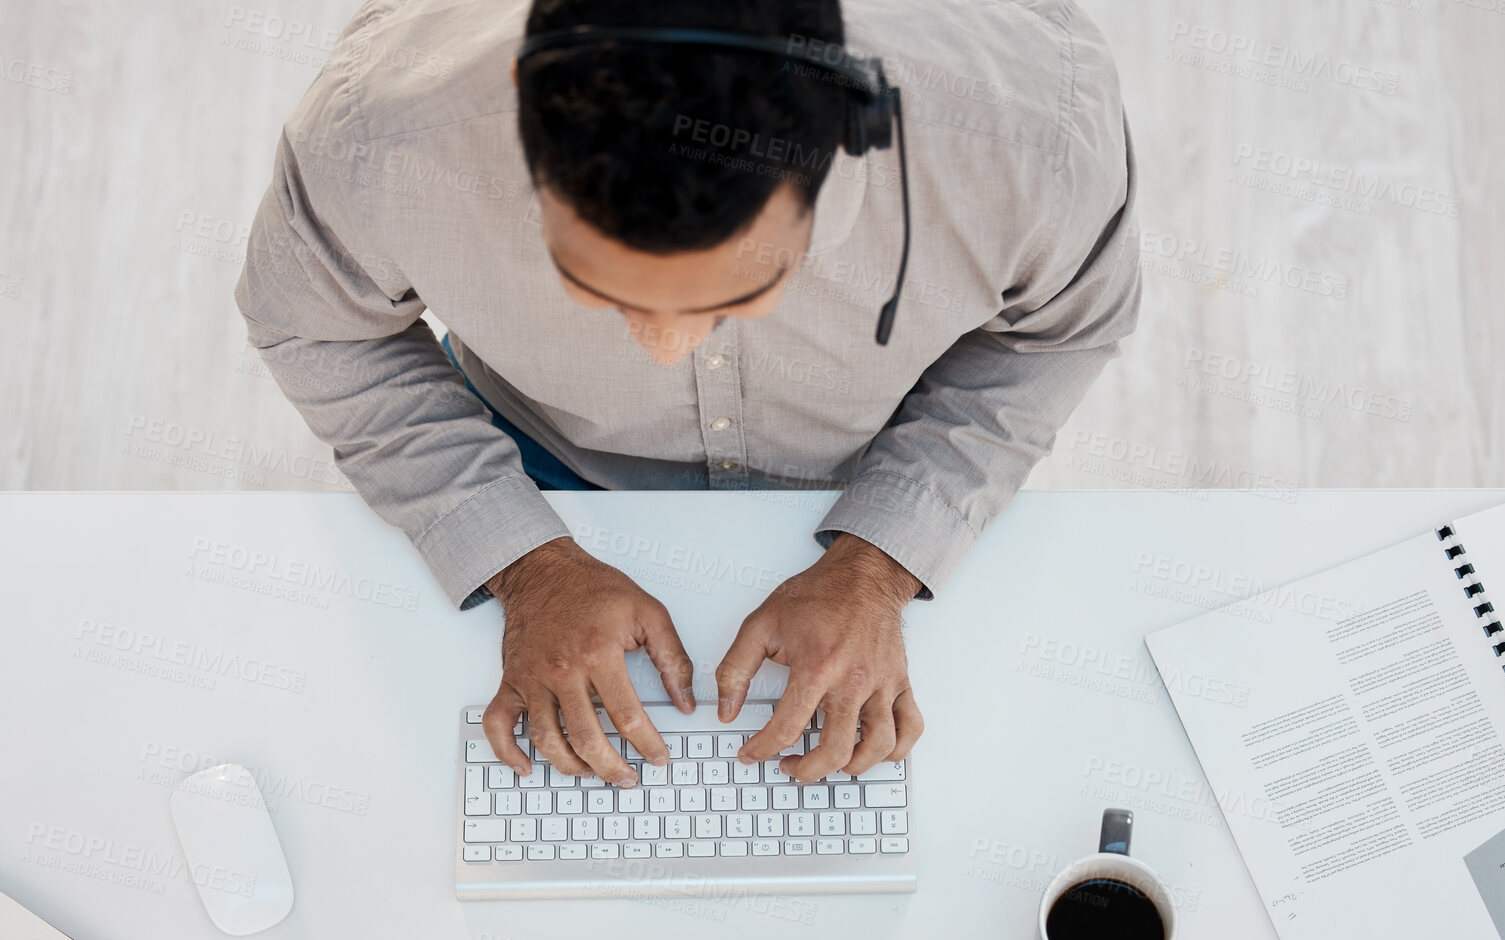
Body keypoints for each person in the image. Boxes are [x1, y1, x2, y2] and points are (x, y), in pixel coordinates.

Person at [234, 0, 1139, 789]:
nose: (665, 346)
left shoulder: (1035, 134)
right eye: (595, 285)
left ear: (848, 128)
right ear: (524, 100)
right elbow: (317, 326)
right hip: (536, 461)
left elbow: (1057, 329)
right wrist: (520, 558)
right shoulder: (377, 134)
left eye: (736, 292)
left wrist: (880, 561)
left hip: (879, 455)